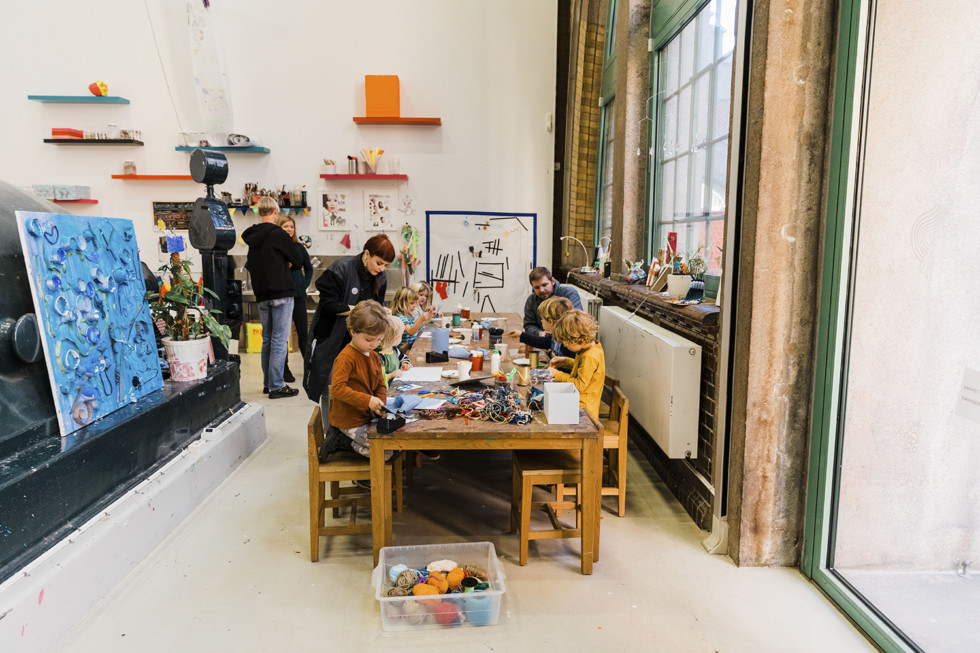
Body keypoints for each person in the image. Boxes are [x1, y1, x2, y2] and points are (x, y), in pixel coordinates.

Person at [305, 234, 395, 421]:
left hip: (359, 341)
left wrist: (380, 312)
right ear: (366, 254)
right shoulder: (341, 268)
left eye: (385, 265)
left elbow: (375, 307)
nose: (381, 269)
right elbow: (328, 305)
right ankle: (331, 433)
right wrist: (359, 311)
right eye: (379, 263)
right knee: (330, 387)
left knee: (357, 388)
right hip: (331, 338)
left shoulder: (380, 277)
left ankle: (350, 428)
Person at [319, 301, 395, 462]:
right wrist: (367, 400)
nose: (374, 344)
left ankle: (351, 442)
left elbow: (381, 384)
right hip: (349, 421)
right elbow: (338, 389)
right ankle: (342, 441)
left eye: (379, 340)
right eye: (369, 340)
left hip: (366, 418)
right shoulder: (346, 357)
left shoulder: (374, 355)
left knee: (395, 444)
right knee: (386, 453)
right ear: (353, 332)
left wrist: (380, 405)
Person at [242, 197, 301, 398]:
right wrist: (287, 263)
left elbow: (251, 264)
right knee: (279, 340)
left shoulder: (252, 237)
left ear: (260, 212)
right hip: (282, 293)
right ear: (275, 212)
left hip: (262, 294)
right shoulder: (278, 234)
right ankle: (276, 386)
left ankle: (268, 383)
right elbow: (297, 260)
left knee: (267, 339)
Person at [275, 213, 314, 384]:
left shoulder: (299, 248)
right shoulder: (275, 247)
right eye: (286, 226)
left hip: (298, 297)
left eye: (291, 226)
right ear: (279, 228)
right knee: (282, 335)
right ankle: (284, 370)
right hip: (282, 296)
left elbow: (309, 268)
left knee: (303, 334)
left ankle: (309, 369)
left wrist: (304, 283)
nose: (289, 229)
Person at [546, 310, 605, 418]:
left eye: (566, 342)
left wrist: (557, 374)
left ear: (575, 339)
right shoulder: (591, 348)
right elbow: (583, 368)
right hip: (579, 403)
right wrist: (565, 361)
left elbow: (579, 385)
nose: (565, 345)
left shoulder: (589, 356)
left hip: (583, 410)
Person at [506, 296, 577, 359]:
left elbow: (571, 370)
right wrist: (521, 335)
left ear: (550, 321)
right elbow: (541, 342)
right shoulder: (555, 337)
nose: (541, 320)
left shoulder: (568, 345)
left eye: (542, 318)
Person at [522, 267, 583, 337]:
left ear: (553, 281)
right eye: (537, 287)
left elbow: (576, 321)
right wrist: (540, 333)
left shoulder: (569, 294)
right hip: (544, 342)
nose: (541, 290)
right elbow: (529, 325)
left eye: (544, 285)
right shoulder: (531, 300)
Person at [391, 286, 434, 351]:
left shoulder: (407, 315)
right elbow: (410, 331)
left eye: (415, 303)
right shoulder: (400, 317)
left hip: (412, 346)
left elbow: (413, 324)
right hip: (404, 351)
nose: (415, 305)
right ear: (401, 303)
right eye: (411, 303)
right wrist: (421, 319)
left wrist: (424, 316)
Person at [378, 315, 411, 388]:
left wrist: (404, 363)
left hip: (395, 386)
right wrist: (390, 376)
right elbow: (377, 378)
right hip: (386, 390)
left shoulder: (394, 350)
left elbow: (404, 357)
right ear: (395, 338)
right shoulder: (380, 356)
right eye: (401, 335)